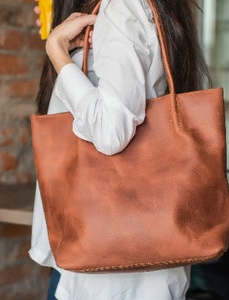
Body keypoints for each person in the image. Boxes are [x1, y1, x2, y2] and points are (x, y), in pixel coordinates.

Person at [29, 0, 210, 299]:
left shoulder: (123, 6)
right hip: (125, 267)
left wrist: (58, 50)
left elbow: (111, 130)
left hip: (106, 278)